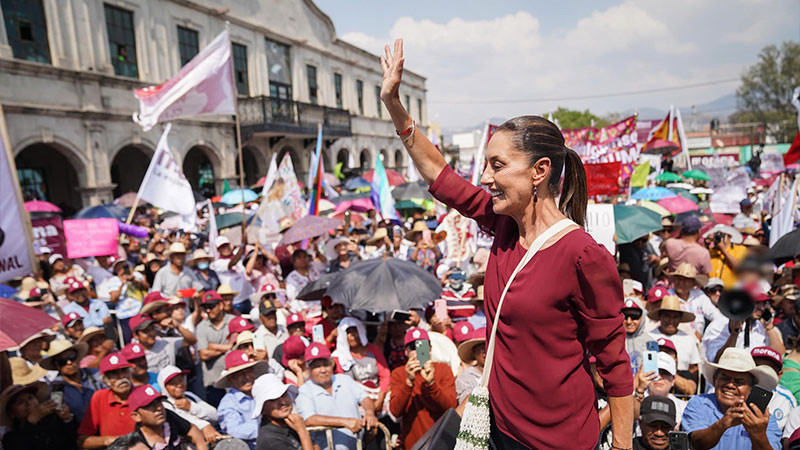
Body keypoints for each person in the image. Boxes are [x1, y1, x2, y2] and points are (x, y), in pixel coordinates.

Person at [380, 39, 633, 449]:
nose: (485, 176)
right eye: (485, 165)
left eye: (497, 165)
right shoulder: (503, 225)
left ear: (540, 171)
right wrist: (393, 103)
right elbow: (440, 176)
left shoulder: (583, 255)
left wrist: (622, 445)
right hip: (500, 433)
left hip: (560, 442)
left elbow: (616, 366)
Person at [682, 347, 781, 449]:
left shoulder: (764, 420)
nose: (730, 385)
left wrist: (758, 434)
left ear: (751, 388)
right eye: (725, 378)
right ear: (715, 379)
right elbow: (696, 443)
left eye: (739, 382)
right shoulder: (699, 403)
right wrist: (723, 423)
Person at [295, 342, 378, 450]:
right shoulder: (304, 391)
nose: (323, 370)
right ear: (308, 369)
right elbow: (309, 419)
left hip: (358, 446)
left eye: (325, 364)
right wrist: (344, 422)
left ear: (332, 364)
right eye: (317, 366)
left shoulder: (344, 379)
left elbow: (365, 398)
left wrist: (370, 413)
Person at [389, 327, 457, 448]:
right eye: (413, 347)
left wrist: (432, 383)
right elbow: (395, 411)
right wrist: (409, 382)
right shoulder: (398, 373)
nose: (418, 352)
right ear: (406, 351)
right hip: (413, 444)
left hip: (441, 441)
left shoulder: (443, 370)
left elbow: (451, 407)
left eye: (423, 347)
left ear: (430, 349)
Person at [702, 290, 786, 363]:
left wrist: (769, 328)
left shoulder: (760, 326)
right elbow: (716, 361)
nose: (762, 308)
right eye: (757, 303)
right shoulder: (719, 326)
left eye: (764, 304)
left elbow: (781, 357)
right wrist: (734, 335)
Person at [77, 353, 137, 449]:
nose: (121, 376)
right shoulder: (99, 398)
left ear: (130, 372)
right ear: (105, 380)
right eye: (114, 373)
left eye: (124, 370)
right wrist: (110, 441)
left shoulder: (143, 394)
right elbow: (83, 440)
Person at [331, 317, 390, 411]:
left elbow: (385, 375)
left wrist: (380, 399)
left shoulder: (373, 350)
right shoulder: (338, 356)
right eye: (348, 332)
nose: (353, 336)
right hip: (355, 401)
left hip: (378, 395)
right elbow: (343, 383)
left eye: (355, 331)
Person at [217, 350, 269, 450]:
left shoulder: (263, 392)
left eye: (249, 371)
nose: (247, 377)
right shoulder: (228, 403)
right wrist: (268, 429)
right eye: (240, 374)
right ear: (231, 379)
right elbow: (234, 430)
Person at [39, 339, 101, 423]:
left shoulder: (95, 374)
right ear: (56, 365)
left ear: (77, 358)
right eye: (62, 361)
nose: (69, 362)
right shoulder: (55, 389)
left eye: (72, 357)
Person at [0, 382, 77, 450]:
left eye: (30, 398)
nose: (28, 403)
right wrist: (31, 421)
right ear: (12, 413)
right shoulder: (10, 439)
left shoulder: (53, 419)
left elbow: (76, 440)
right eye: (20, 402)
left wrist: (67, 419)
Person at [128, 384, 207, 450]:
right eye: (150, 406)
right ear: (136, 416)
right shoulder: (139, 444)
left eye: (159, 403)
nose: (159, 408)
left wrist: (201, 445)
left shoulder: (168, 416)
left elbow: (191, 429)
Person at [157, 365, 220, 443]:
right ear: (164, 387)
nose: (179, 385)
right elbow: (183, 422)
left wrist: (191, 407)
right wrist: (204, 426)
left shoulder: (189, 395)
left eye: (180, 380)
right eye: (173, 383)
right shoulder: (165, 405)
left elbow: (215, 414)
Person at [647, 296, 701, 385]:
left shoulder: (688, 339)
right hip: (654, 383)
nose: (671, 321)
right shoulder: (649, 337)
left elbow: (694, 368)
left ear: (680, 319)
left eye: (675, 317)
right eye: (667, 316)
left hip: (680, 387)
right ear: (660, 316)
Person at [252, 373, 314, 450]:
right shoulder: (270, 439)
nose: (283, 402)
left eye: (284, 394)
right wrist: (303, 432)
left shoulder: (291, 424)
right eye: (273, 399)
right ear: (263, 409)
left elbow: (315, 446)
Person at [195, 291, 236, 406]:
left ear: (221, 305)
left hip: (235, 379)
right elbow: (204, 355)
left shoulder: (233, 321)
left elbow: (237, 348)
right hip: (214, 382)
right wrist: (227, 347)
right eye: (205, 308)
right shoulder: (201, 326)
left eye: (211, 306)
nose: (208, 310)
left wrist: (213, 346)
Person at [668, 262, 723, 340]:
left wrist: (708, 333)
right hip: (674, 340)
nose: (680, 282)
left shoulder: (699, 296)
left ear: (693, 283)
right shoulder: (668, 296)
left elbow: (716, 316)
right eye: (678, 279)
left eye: (685, 280)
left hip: (698, 341)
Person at [634, 352, 687, 428]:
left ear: (673, 380)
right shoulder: (635, 399)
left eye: (665, 373)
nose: (659, 377)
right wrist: (640, 390)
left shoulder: (683, 408)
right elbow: (630, 417)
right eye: (654, 373)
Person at [750, 346, 796, 432]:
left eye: (769, 369)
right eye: (757, 366)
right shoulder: (738, 390)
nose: (762, 372)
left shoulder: (786, 399)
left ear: (779, 375)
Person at [210, 236, 252, 314]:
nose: (225, 249)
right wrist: (242, 245)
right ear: (218, 250)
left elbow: (244, 246)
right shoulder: (218, 263)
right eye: (222, 247)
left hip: (248, 297)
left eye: (226, 245)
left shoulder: (238, 256)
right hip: (235, 301)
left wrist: (244, 232)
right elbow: (232, 263)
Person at [285, 249, 324, 316]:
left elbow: (325, 264)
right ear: (294, 262)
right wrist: (300, 312)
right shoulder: (292, 278)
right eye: (299, 257)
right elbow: (292, 298)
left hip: (322, 309)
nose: (303, 259)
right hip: (307, 314)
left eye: (304, 256)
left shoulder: (314, 269)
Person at [252, 291, 289, 359]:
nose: (271, 317)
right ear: (261, 318)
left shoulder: (284, 329)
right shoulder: (258, 335)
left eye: (273, 313)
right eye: (267, 315)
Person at [456, 327, 486, 406]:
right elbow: (466, 406)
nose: (486, 353)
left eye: (488, 348)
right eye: (482, 349)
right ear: (474, 352)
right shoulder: (466, 377)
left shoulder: (501, 373)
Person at [623, 297, 652, 375]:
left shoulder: (650, 342)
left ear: (642, 317)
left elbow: (652, 372)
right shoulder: (613, 341)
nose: (629, 322)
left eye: (634, 317)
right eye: (625, 316)